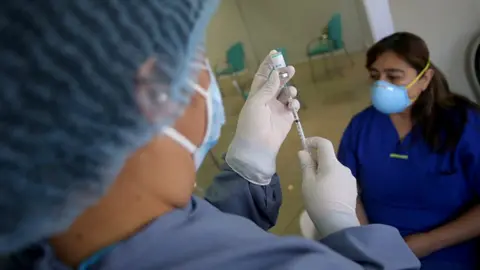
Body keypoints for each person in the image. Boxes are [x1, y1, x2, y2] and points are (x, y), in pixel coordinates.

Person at [0, 1, 420, 269]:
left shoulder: (37, 237)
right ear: (155, 87)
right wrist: (343, 226)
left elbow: (186, 242)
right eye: (196, 56)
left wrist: (250, 165)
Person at [334, 32, 480, 269]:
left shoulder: (463, 125)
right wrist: (366, 242)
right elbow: (344, 191)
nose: (382, 85)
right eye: (375, 76)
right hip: (378, 253)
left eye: (394, 76)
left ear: (424, 79)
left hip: (448, 250)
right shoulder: (362, 126)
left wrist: (429, 242)